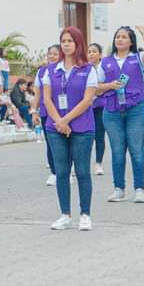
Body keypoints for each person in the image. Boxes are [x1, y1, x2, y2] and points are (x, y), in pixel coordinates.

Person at [96, 25, 144, 203]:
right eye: (118, 36)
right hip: (112, 110)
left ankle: (139, 189)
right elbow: (96, 88)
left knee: (136, 150)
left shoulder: (138, 58)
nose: (120, 39)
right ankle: (119, 188)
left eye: (124, 37)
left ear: (131, 41)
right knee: (117, 151)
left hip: (136, 109)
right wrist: (110, 85)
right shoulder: (105, 62)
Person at [43, 26, 97, 231]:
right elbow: (47, 99)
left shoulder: (88, 69)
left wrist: (66, 120)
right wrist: (59, 122)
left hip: (82, 127)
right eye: (63, 41)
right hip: (55, 128)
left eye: (70, 41)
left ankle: (85, 214)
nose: (66, 45)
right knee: (62, 171)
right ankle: (65, 214)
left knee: (82, 171)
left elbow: (87, 99)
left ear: (78, 43)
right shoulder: (50, 70)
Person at [34, 45, 60, 184]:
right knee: (50, 143)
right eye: (50, 54)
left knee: (66, 143)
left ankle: (66, 170)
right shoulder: (42, 71)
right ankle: (54, 172)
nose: (52, 56)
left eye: (55, 54)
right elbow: (37, 94)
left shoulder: (67, 69)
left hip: (64, 112)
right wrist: (34, 111)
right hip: (46, 113)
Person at [87, 43, 107, 175]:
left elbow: (104, 88)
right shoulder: (84, 68)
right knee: (85, 136)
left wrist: (99, 88)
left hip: (100, 105)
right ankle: (82, 163)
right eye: (89, 52)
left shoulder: (104, 68)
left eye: (94, 51)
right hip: (85, 106)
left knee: (99, 135)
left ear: (100, 54)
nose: (91, 54)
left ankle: (98, 163)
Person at [0, 47, 11, 121]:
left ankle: (4, 116)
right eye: (4, 51)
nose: (6, 52)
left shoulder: (5, 60)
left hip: (6, 74)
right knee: (2, 91)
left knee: (6, 91)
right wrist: (1, 76)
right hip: (2, 74)